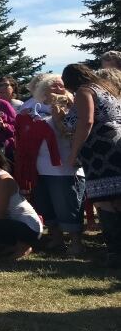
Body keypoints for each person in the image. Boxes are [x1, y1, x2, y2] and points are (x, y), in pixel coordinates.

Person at [62, 63, 121, 267]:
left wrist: (74, 153)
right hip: (116, 143)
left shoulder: (84, 91)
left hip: (100, 149)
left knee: (104, 200)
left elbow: (86, 122)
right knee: (118, 198)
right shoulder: (106, 89)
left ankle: (115, 253)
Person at [26, 76, 85, 254]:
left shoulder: (73, 105)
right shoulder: (36, 107)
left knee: (68, 206)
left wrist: (59, 117)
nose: (58, 88)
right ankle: (56, 238)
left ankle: (76, 243)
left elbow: (70, 132)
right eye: (52, 86)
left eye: (61, 85)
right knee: (47, 205)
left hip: (66, 167)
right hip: (42, 167)